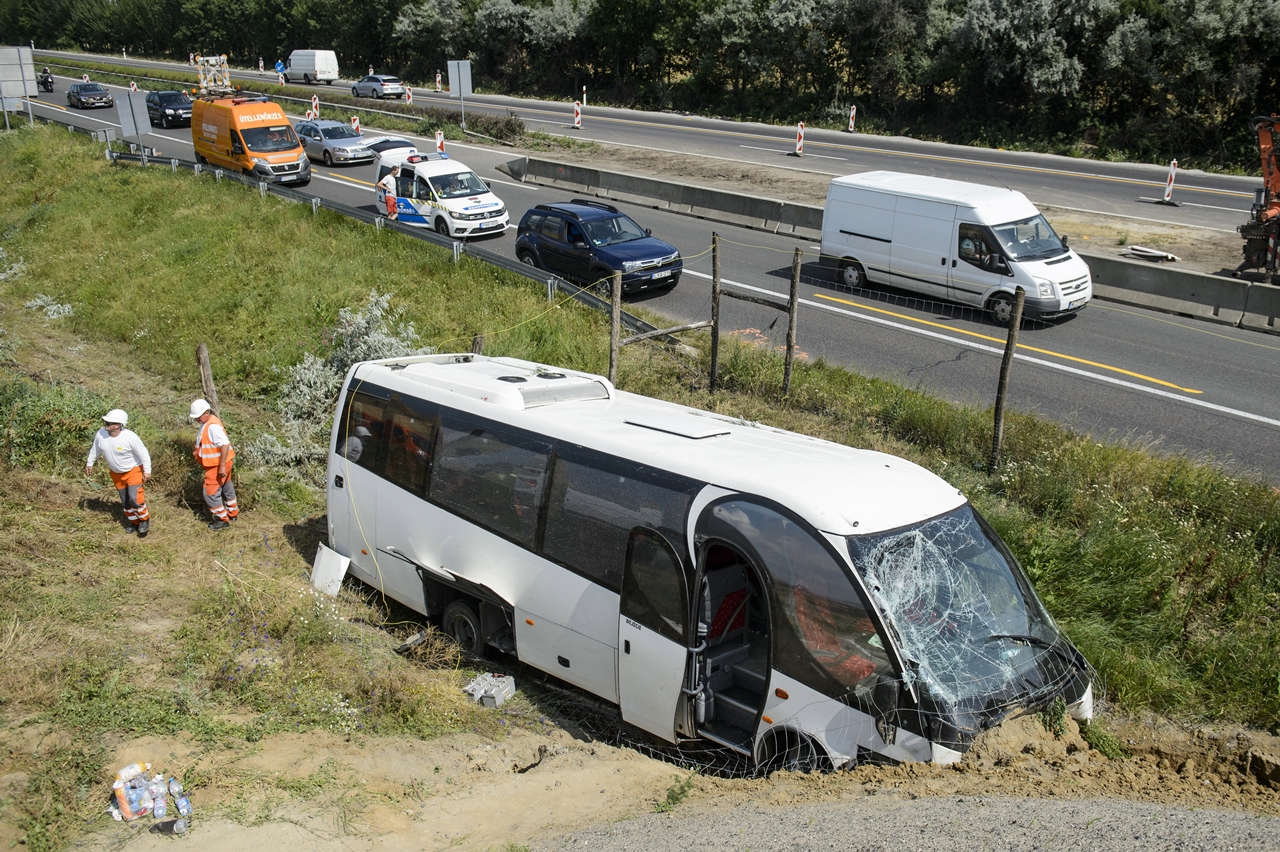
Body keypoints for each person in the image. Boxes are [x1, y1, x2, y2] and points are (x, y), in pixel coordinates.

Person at [85, 409, 153, 537]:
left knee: (135, 498)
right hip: (116, 474)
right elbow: (95, 449)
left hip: (133, 471)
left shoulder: (130, 437)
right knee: (126, 502)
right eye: (105, 421)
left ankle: (144, 521)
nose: (105, 424)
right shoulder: (101, 434)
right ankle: (134, 523)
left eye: (109, 422)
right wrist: (90, 463)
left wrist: (147, 471)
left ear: (118, 425)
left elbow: (143, 453)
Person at [189, 399, 238, 530]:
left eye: (198, 417)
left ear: (206, 413)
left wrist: (221, 466)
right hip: (221, 463)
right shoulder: (209, 423)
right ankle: (232, 513)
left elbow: (224, 445)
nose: (196, 420)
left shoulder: (212, 426)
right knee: (227, 487)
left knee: (210, 492)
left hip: (217, 466)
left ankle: (221, 519)